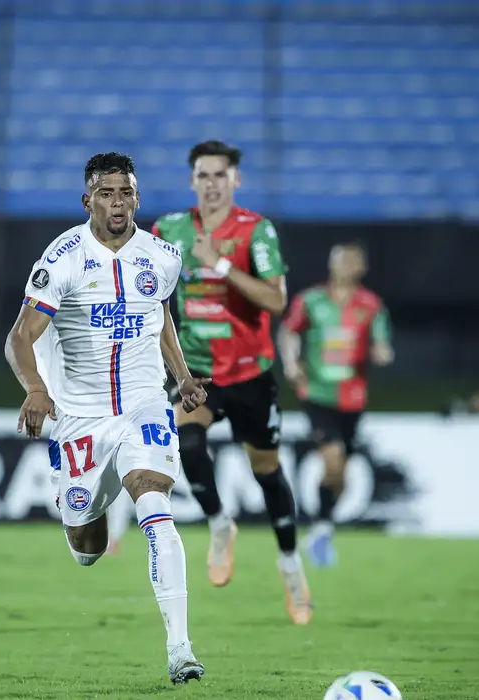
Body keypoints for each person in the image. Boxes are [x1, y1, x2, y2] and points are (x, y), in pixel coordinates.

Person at [4, 152, 210, 685]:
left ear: (137, 198)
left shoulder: (163, 256)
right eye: (105, 193)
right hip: (81, 419)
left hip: (144, 403)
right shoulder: (63, 258)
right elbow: (20, 336)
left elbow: (159, 314)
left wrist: (182, 377)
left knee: (154, 502)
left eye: (124, 193)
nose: (116, 203)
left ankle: (180, 649)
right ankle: (96, 494)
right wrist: (35, 389)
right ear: (87, 200)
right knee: (87, 550)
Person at [134, 140, 311, 626]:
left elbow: (276, 303)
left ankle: (290, 564)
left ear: (236, 180)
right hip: (196, 372)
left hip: (250, 373)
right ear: (192, 180)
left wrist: (222, 265)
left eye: (220, 175)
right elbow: (148, 292)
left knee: (267, 471)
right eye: (203, 175)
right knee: (186, 444)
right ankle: (218, 522)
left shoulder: (256, 231)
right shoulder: (168, 230)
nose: (211, 183)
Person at [278, 242, 393, 568]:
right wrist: (291, 364)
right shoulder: (312, 301)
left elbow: (382, 342)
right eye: (340, 259)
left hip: (353, 398)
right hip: (317, 394)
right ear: (331, 264)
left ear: (362, 267)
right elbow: (289, 332)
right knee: (333, 461)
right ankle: (321, 529)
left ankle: (321, 529)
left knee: (341, 472)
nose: (345, 265)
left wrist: (382, 353)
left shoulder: (370, 305)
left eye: (352, 260)